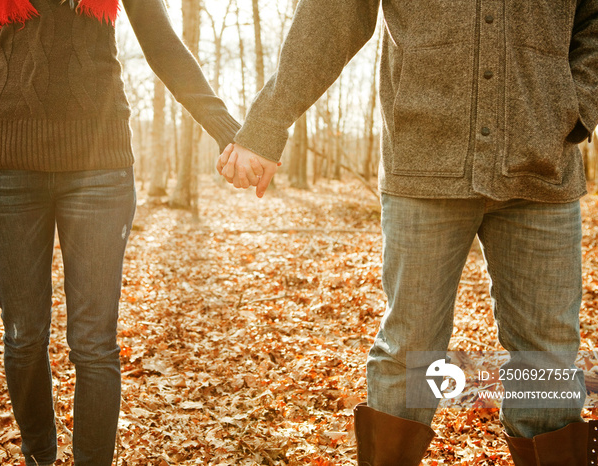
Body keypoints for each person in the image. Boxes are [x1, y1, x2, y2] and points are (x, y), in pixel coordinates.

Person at [217, 1, 598, 464]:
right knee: (410, 352)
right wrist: (267, 123)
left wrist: (576, 105)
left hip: (544, 166)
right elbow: (332, 16)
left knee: (549, 359)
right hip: (423, 162)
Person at [0, 1, 240, 464]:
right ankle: (39, 456)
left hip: (99, 166)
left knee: (95, 342)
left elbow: (162, 45)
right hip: (2, 168)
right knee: (23, 335)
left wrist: (226, 129)